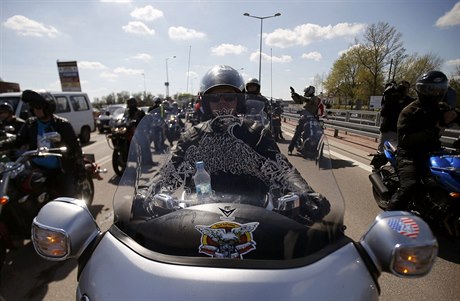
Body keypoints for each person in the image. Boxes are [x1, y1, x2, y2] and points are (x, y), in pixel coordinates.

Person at [149, 65, 330, 225]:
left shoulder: (257, 133)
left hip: (257, 220)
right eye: (215, 98)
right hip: (198, 220)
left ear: (239, 100)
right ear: (205, 102)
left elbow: (283, 170)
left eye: (229, 97)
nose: (222, 104)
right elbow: (169, 173)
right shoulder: (191, 137)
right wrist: (146, 193)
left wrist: (306, 194)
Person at [388, 71, 459, 210]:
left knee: (452, 179)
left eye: (440, 89)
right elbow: (404, 140)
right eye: (432, 89)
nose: (436, 93)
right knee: (410, 186)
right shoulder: (410, 111)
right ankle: (387, 218)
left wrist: (455, 114)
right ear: (423, 90)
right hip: (410, 153)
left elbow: (457, 117)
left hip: (434, 151)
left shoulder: (442, 108)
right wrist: (433, 130)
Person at [13, 90, 86, 198]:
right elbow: (18, 141)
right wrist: (3, 144)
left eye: (38, 107)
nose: (35, 110)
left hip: (61, 170)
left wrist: (80, 171)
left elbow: (75, 149)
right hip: (37, 168)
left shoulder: (62, 124)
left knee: (70, 199)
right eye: (33, 107)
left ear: (48, 107)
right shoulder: (30, 123)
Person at [377, 80, 414, 152]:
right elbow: (383, 113)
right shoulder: (391, 97)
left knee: (398, 156)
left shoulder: (410, 102)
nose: (403, 89)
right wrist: (387, 96)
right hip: (387, 130)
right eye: (401, 87)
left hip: (400, 133)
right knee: (381, 154)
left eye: (405, 88)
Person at [288, 86, 320, 155]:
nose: (305, 93)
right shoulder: (306, 100)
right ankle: (290, 149)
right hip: (304, 118)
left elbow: (307, 99)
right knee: (297, 133)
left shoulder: (315, 98)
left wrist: (297, 95)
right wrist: (293, 94)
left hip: (312, 119)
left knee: (318, 132)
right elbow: (298, 101)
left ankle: (313, 149)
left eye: (306, 92)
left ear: (310, 91)